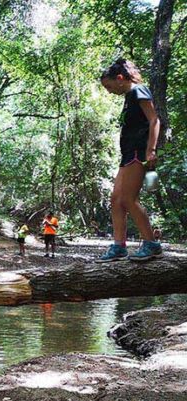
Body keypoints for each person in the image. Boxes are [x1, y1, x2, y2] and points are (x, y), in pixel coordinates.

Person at [96, 58, 163, 263]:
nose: (108, 91)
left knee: (128, 199)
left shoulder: (138, 91)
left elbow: (154, 120)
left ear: (119, 78)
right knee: (116, 199)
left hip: (138, 152)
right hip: (127, 154)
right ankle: (119, 246)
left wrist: (151, 150)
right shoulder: (129, 97)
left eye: (108, 86)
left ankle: (151, 244)